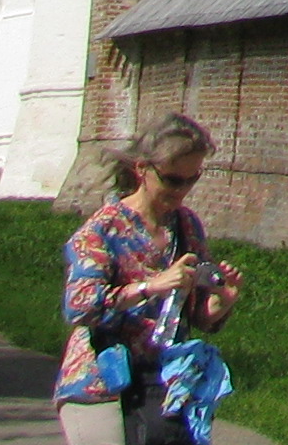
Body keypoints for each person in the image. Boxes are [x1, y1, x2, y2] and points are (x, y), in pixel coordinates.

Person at [54, 112, 245, 444]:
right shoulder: (103, 229)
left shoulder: (186, 226)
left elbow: (196, 314)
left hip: (164, 384)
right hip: (101, 384)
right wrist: (148, 286)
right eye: (173, 179)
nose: (182, 190)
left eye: (192, 179)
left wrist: (219, 303)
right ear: (142, 169)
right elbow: (79, 306)